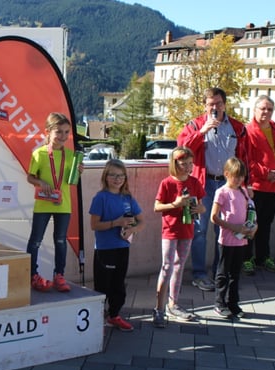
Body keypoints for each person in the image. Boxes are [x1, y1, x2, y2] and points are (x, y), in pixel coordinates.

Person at [177, 87, 248, 292]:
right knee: (199, 230)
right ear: (205, 106)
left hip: (228, 185)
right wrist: (202, 132)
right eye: (210, 104)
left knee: (223, 229)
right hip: (202, 184)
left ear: (224, 104)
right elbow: (181, 151)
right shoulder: (195, 125)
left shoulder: (237, 128)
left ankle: (220, 272)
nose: (214, 107)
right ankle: (199, 274)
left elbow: (245, 157)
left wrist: (246, 184)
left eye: (218, 103)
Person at [26, 112, 82, 293]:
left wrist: (78, 172)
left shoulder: (71, 155)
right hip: (43, 204)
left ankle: (59, 275)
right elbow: (30, 177)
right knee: (36, 240)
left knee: (60, 240)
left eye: (66, 132)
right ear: (48, 132)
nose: (63, 136)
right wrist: (40, 182)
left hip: (63, 204)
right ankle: (32, 275)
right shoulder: (39, 153)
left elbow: (71, 181)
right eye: (58, 132)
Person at [153, 147, 205, 327]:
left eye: (190, 163)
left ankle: (173, 304)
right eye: (184, 164)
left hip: (187, 231)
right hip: (170, 231)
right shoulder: (167, 183)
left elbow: (202, 206)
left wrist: (200, 209)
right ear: (174, 164)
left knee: (179, 267)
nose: (188, 167)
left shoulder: (195, 182)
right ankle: (159, 308)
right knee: (167, 267)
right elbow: (157, 207)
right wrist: (175, 204)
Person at [89, 159, 144, 331]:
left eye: (121, 175)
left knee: (118, 284)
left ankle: (114, 315)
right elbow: (94, 225)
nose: (117, 179)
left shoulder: (128, 198)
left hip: (123, 248)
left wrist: (132, 230)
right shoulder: (100, 198)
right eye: (113, 175)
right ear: (105, 177)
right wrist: (116, 223)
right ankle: (97, 318)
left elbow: (141, 222)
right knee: (103, 285)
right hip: (105, 249)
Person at [242, 95, 275, 275]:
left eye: (269, 109)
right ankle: (246, 259)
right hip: (256, 187)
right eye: (263, 108)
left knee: (266, 224)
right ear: (254, 110)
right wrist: (266, 173)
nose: (266, 112)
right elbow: (247, 159)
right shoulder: (248, 131)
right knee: (251, 223)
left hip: (274, 187)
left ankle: (263, 257)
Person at [210, 157, 257, 319]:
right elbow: (214, 217)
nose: (239, 180)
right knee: (223, 272)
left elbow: (251, 211)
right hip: (226, 240)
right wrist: (233, 227)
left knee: (235, 273)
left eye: (241, 177)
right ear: (226, 174)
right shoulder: (222, 192)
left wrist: (253, 227)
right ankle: (219, 303)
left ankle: (233, 302)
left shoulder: (243, 192)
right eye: (235, 176)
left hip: (241, 239)